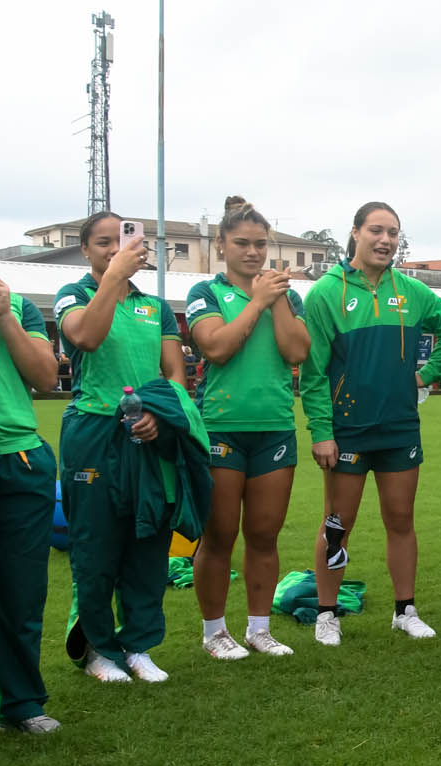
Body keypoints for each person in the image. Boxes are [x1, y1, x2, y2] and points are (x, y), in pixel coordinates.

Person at [299, 201, 441, 647]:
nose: (385, 240)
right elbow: (312, 373)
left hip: (400, 427)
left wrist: (428, 373)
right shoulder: (326, 293)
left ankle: (405, 611)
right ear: (355, 233)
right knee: (337, 524)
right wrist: (322, 432)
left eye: (393, 233)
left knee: (401, 519)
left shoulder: (410, 290)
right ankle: (327, 613)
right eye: (376, 230)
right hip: (346, 431)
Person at [53, 212, 195, 684]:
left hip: (146, 433)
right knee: (96, 545)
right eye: (103, 243)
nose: (114, 249)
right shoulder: (74, 296)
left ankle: (139, 645)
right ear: (85, 250)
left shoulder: (153, 306)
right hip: (94, 429)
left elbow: (174, 375)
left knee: (148, 538)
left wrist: (159, 416)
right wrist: (113, 278)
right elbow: (86, 337)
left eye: (123, 240)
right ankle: (97, 649)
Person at [187, 197, 311, 659]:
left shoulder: (288, 296)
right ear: (221, 245)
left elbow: (297, 352)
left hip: (273, 428)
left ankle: (259, 629)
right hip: (220, 428)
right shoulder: (207, 293)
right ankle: (215, 632)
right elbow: (216, 347)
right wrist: (257, 301)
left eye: (260, 244)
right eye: (242, 243)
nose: (252, 252)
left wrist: (274, 299)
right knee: (219, 536)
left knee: (264, 534)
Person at [0, 205, 59, 748]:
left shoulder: (15, 302)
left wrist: (1, 313)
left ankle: (22, 703)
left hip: (21, 461)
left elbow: (46, 377)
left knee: (21, 596)